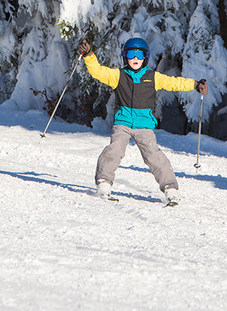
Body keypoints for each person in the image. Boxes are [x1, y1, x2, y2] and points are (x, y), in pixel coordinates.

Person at [78, 37, 209, 204]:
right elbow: (97, 71)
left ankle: (170, 188)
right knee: (115, 150)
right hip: (123, 123)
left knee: (154, 155)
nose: (135, 59)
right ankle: (104, 183)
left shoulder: (153, 77)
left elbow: (174, 83)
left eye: (140, 55)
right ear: (125, 56)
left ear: (145, 58)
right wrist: (89, 54)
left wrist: (195, 85)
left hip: (144, 125)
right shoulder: (118, 76)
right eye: (131, 54)